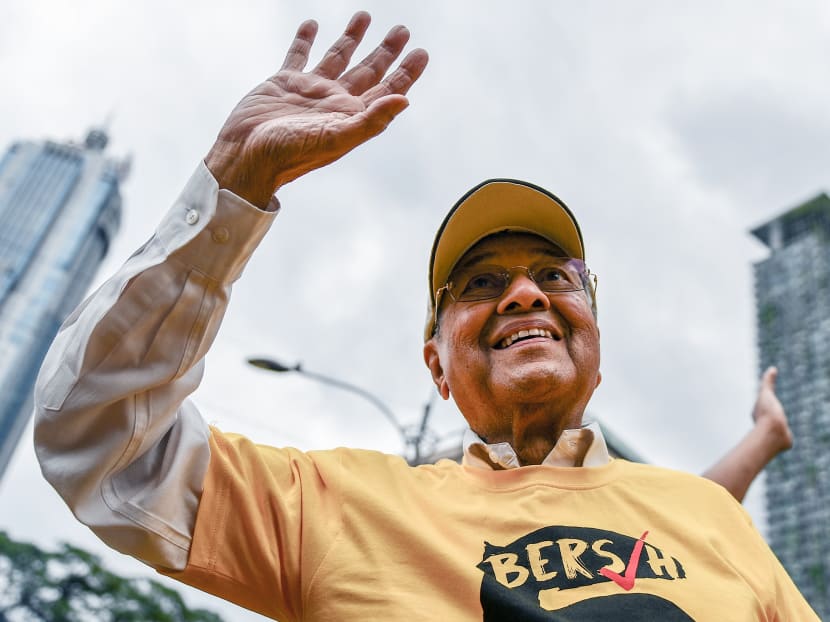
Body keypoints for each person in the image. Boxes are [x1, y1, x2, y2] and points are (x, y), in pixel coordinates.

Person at [33, 12, 816, 621]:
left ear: (595, 344)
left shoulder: (707, 515)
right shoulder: (336, 508)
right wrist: (231, 184)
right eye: (478, 284)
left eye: (554, 275)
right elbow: (100, 438)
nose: (524, 294)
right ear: (437, 364)